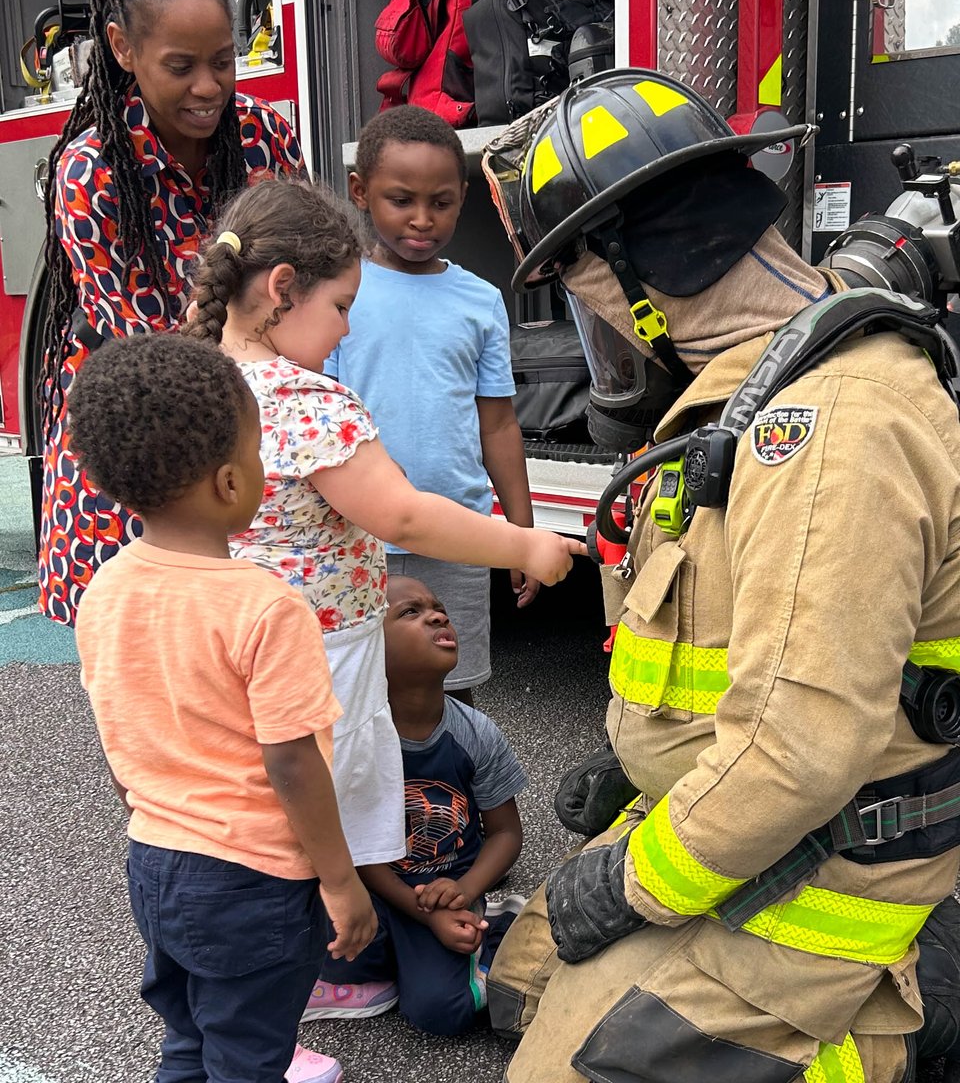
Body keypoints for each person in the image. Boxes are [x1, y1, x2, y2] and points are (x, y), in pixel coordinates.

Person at [482, 68, 960, 1083]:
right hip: (759, 813)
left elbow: (801, 753)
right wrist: (641, 759)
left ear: (631, 269)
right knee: (515, 985)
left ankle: (896, 1029)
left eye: (583, 296)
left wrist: (633, 884)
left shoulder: (827, 429)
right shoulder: (761, 386)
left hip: (836, 861)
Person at [184, 177, 582, 966]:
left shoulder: (198, 382)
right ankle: (316, 967)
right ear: (282, 289)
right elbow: (401, 514)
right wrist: (524, 543)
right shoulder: (305, 398)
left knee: (257, 813)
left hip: (224, 644)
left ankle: (275, 960)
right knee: (318, 809)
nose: (344, 330)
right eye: (339, 306)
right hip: (317, 654)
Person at [69, 333, 375, 1083]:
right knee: (247, 1058)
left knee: (189, 1041)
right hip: (253, 881)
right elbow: (291, 759)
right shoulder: (265, 607)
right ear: (231, 482)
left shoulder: (105, 590)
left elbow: (120, 733)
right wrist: (341, 881)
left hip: (154, 860)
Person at [38, 0, 304, 628]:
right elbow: (149, 357)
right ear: (123, 48)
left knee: (257, 658)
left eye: (223, 59)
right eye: (180, 66)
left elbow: (308, 274)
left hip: (256, 435)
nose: (210, 86)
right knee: (147, 671)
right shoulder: (90, 172)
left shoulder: (265, 138)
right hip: (137, 445)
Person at [325, 104, 538, 707]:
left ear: (463, 197)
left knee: (452, 694)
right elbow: (327, 415)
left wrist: (519, 532)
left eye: (441, 202)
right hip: (359, 535)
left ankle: (454, 802)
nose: (422, 219)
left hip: (456, 534)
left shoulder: (480, 299)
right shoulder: (342, 294)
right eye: (401, 200)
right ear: (361, 193)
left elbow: (497, 423)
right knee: (360, 695)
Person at [305, 574, 527, 1033]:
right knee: (316, 938)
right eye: (410, 612)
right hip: (377, 886)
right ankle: (402, 960)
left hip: (451, 882)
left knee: (442, 1012)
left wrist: (462, 895)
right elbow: (353, 846)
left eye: (437, 608)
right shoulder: (353, 737)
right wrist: (419, 910)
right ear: (368, 649)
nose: (437, 615)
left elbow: (506, 833)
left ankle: (498, 925)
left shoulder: (475, 733)